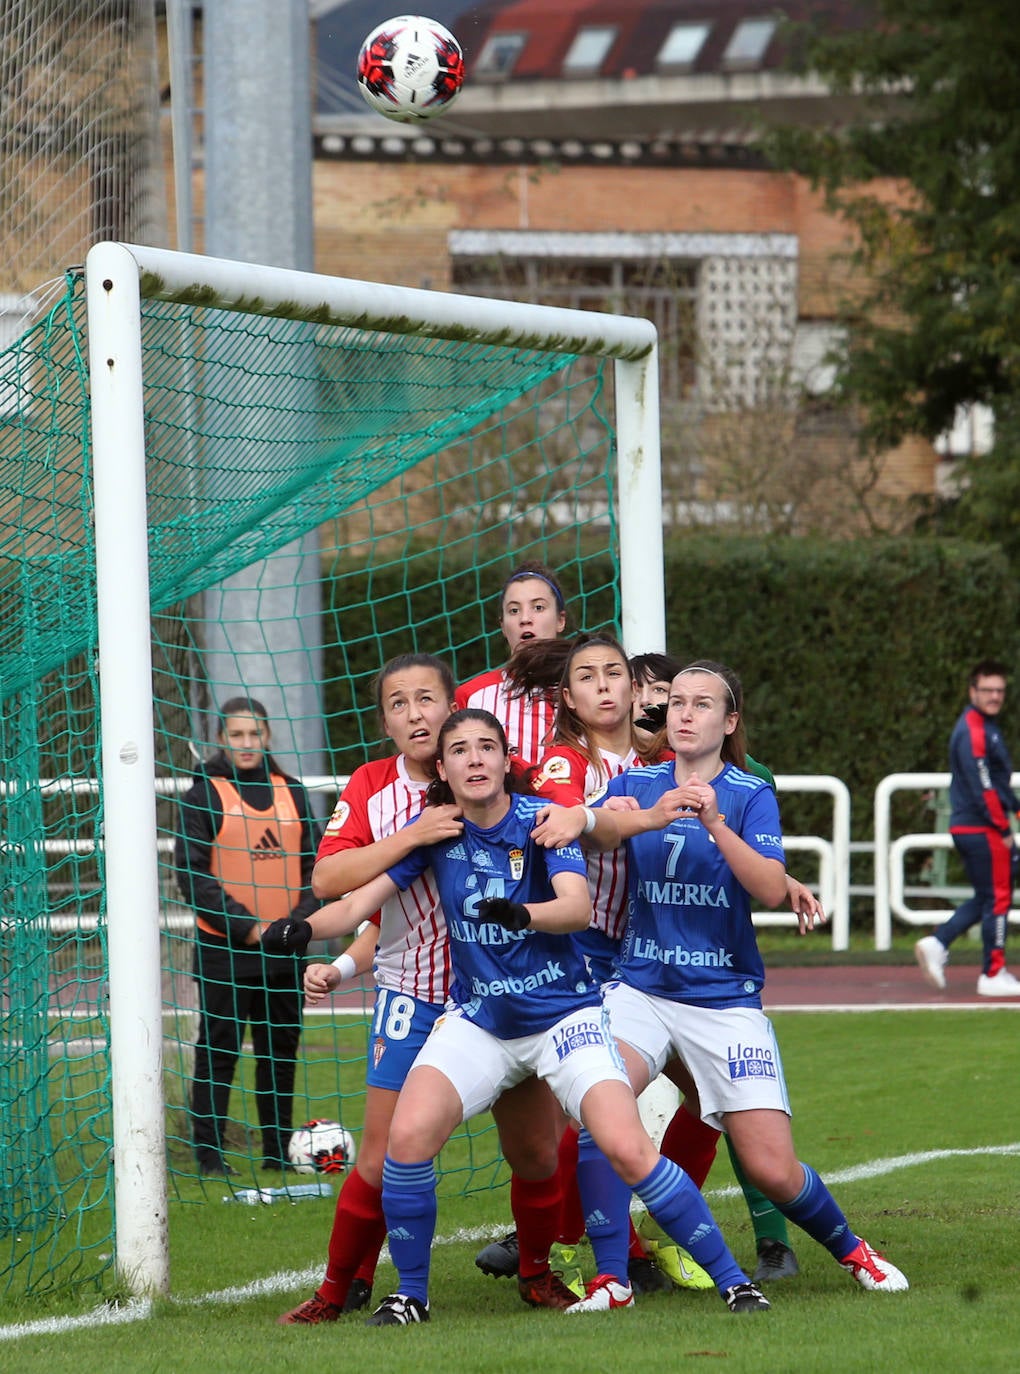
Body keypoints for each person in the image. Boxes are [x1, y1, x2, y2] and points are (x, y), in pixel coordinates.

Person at [271, 709, 771, 1325]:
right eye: (460, 750)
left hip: (565, 1017)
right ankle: (411, 1296)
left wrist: (523, 914)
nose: (474, 759)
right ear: (446, 768)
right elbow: (356, 906)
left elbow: (577, 908)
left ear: (508, 762)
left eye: (487, 748)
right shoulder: (437, 834)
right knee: (405, 1141)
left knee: (625, 1146)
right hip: (480, 1019)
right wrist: (301, 928)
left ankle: (735, 1283)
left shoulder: (539, 822)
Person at [532, 661, 909, 1295]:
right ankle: (609, 1277)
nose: (684, 713)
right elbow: (594, 831)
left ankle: (854, 1252)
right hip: (641, 987)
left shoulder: (746, 792)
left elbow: (765, 886)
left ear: (728, 721)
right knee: (603, 1108)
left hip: (723, 998)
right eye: (676, 702)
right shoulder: (638, 780)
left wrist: (713, 822)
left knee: (772, 1168)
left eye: (702, 704)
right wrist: (591, 818)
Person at [273, 654, 576, 1323]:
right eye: (399, 703)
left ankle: (535, 1272)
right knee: (384, 1157)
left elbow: (559, 842)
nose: (416, 714)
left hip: (502, 995)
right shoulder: (373, 788)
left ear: (453, 707)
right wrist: (413, 835)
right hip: (413, 994)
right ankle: (340, 1286)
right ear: (384, 721)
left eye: (427, 700)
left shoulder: (498, 775)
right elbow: (331, 887)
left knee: (532, 1150)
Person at [175, 696, 320, 1176]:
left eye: (254, 734)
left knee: (280, 1055)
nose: (245, 743)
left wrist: (295, 925)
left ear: (268, 736)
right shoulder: (203, 795)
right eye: (236, 735)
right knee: (217, 1056)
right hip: (225, 953)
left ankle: (277, 1153)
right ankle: (210, 1157)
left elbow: (316, 871)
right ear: (221, 738)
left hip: (283, 953)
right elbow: (192, 878)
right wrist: (250, 927)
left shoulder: (293, 793)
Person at [915, 658, 1020, 997]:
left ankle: (938, 942)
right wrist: (1004, 827)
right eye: (987, 690)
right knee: (999, 897)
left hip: (975, 826)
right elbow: (984, 786)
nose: (994, 696)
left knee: (990, 895)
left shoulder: (985, 726)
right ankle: (993, 973)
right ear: (972, 690)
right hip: (981, 828)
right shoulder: (974, 730)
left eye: (999, 690)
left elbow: (998, 783)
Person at [455, 560, 568, 766]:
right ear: (503, 626)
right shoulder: (471, 697)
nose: (525, 618)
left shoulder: (588, 689)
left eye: (538, 607)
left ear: (561, 620)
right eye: (514, 611)